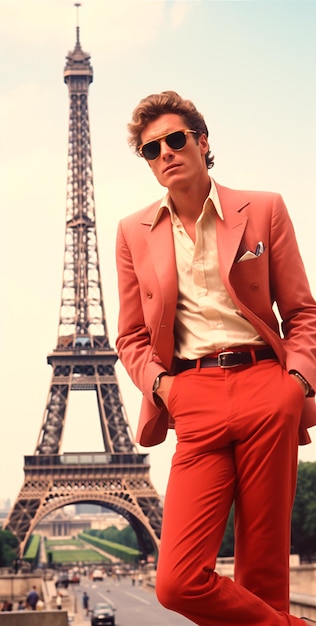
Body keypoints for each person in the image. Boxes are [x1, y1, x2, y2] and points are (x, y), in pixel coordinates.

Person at [115, 90, 316, 626]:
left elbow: (301, 310)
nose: (165, 154)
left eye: (175, 140)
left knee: (264, 572)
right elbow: (131, 336)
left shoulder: (264, 208)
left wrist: (294, 382)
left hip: (265, 387)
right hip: (191, 396)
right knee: (178, 581)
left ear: (203, 143)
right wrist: (164, 388)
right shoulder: (132, 232)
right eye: (151, 149)